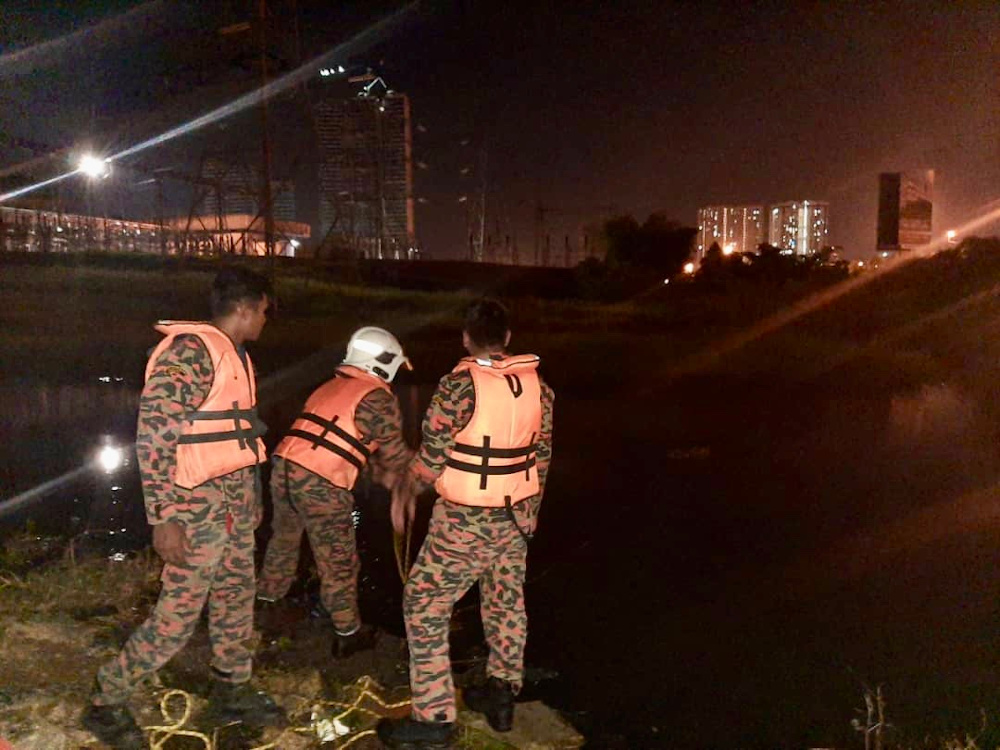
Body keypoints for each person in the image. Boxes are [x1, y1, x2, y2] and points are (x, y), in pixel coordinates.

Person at [83, 267, 283, 750]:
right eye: (263, 310)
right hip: (193, 505)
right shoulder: (189, 353)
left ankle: (232, 686)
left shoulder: (235, 355)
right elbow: (154, 437)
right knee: (177, 615)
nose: (264, 320)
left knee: (236, 597)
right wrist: (163, 517)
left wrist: (252, 499)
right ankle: (106, 702)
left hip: (232, 502)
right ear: (246, 307)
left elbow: (239, 433)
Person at [377, 299, 555, 749]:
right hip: (516, 516)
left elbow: (431, 462)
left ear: (465, 338)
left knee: (423, 603)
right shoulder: (540, 388)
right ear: (508, 338)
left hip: (465, 521)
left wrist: (404, 492)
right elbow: (543, 458)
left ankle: (435, 718)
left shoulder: (458, 388)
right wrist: (529, 515)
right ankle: (500, 695)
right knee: (505, 603)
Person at [256, 326, 414, 656]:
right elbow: (397, 456)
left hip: (284, 469)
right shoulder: (377, 398)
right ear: (382, 362)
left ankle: (265, 607)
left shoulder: (331, 387)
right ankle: (347, 633)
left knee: (283, 542)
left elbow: (342, 444)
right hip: (319, 482)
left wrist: (378, 475)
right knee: (338, 561)